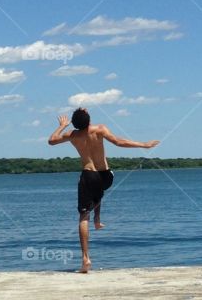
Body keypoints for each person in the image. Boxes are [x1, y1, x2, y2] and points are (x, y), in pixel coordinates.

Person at [48, 108, 159, 271]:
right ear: (89, 120)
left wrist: (62, 125)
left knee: (83, 217)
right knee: (98, 190)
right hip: (106, 177)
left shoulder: (72, 135)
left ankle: (85, 259)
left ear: (75, 123)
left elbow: (51, 141)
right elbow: (119, 142)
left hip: (88, 175)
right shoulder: (100, 129)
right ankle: (98, 220)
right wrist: (144, 144)